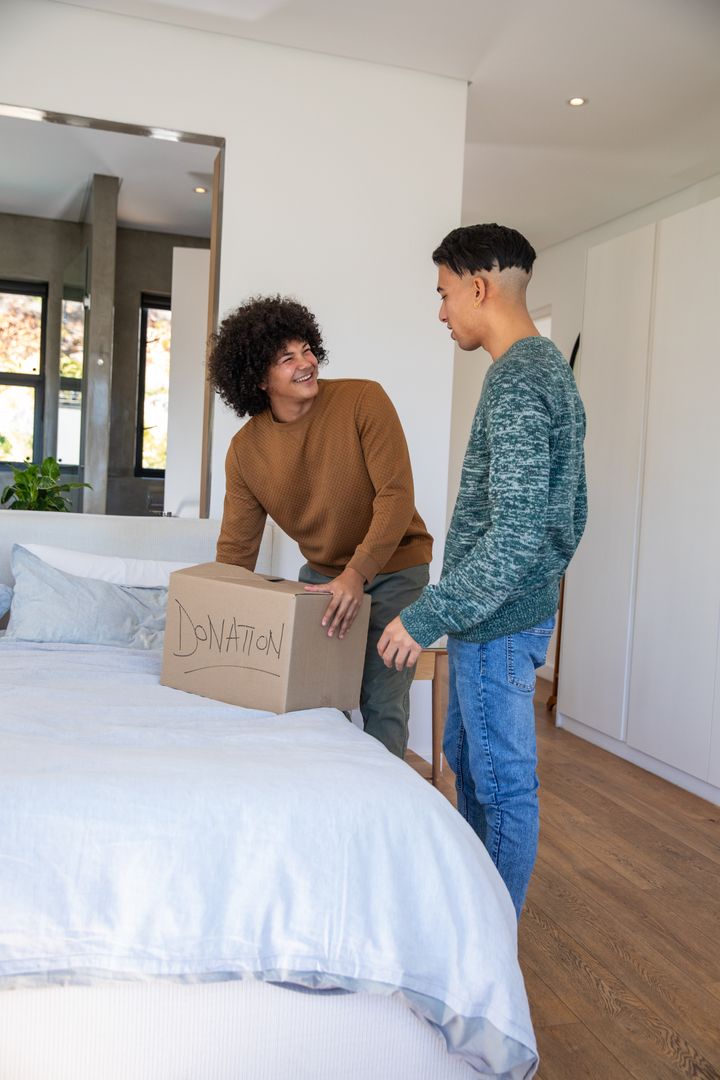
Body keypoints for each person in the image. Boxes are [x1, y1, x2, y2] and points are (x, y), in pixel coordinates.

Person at [378, 224, 587, 916]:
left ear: (478, 287)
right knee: (471, 768)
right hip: (497, 618)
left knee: (499, 788)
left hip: (497, 626)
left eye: (444, 294)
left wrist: (426, 614)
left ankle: (487, 953)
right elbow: (565, 516)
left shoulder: (520, 380)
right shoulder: (543, 371)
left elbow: (518, 535)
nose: (441, 311)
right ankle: (470, 926)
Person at [208, 294, 432, 758]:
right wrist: (215, 617)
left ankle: (381, 796)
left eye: (307, 349)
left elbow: (396, 497)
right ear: (259, 378)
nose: (306, 363)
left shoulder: (363, 399)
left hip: (394, 567)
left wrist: (356, 574)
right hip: (323, 578)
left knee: (382, 700)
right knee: (315, 699)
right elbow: (236, 550)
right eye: (287, 358)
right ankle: (328, 789)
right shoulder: (246, 452)